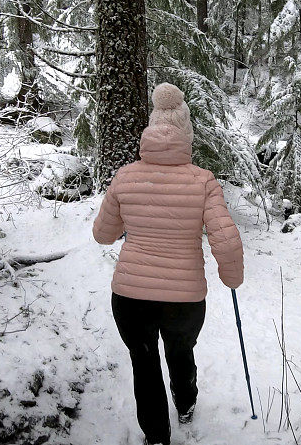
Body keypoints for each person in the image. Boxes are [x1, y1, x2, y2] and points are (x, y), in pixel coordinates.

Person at [92, 82, 244, 445]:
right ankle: (186, 403)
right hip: (184, 299)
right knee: (180, 351)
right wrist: (232, 277)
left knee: (144, 365)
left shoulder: (125, 176)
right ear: (187, 134)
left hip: (130, 297)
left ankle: (157, 436)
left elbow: (103, 235)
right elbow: (226, 237)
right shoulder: (202, 180)